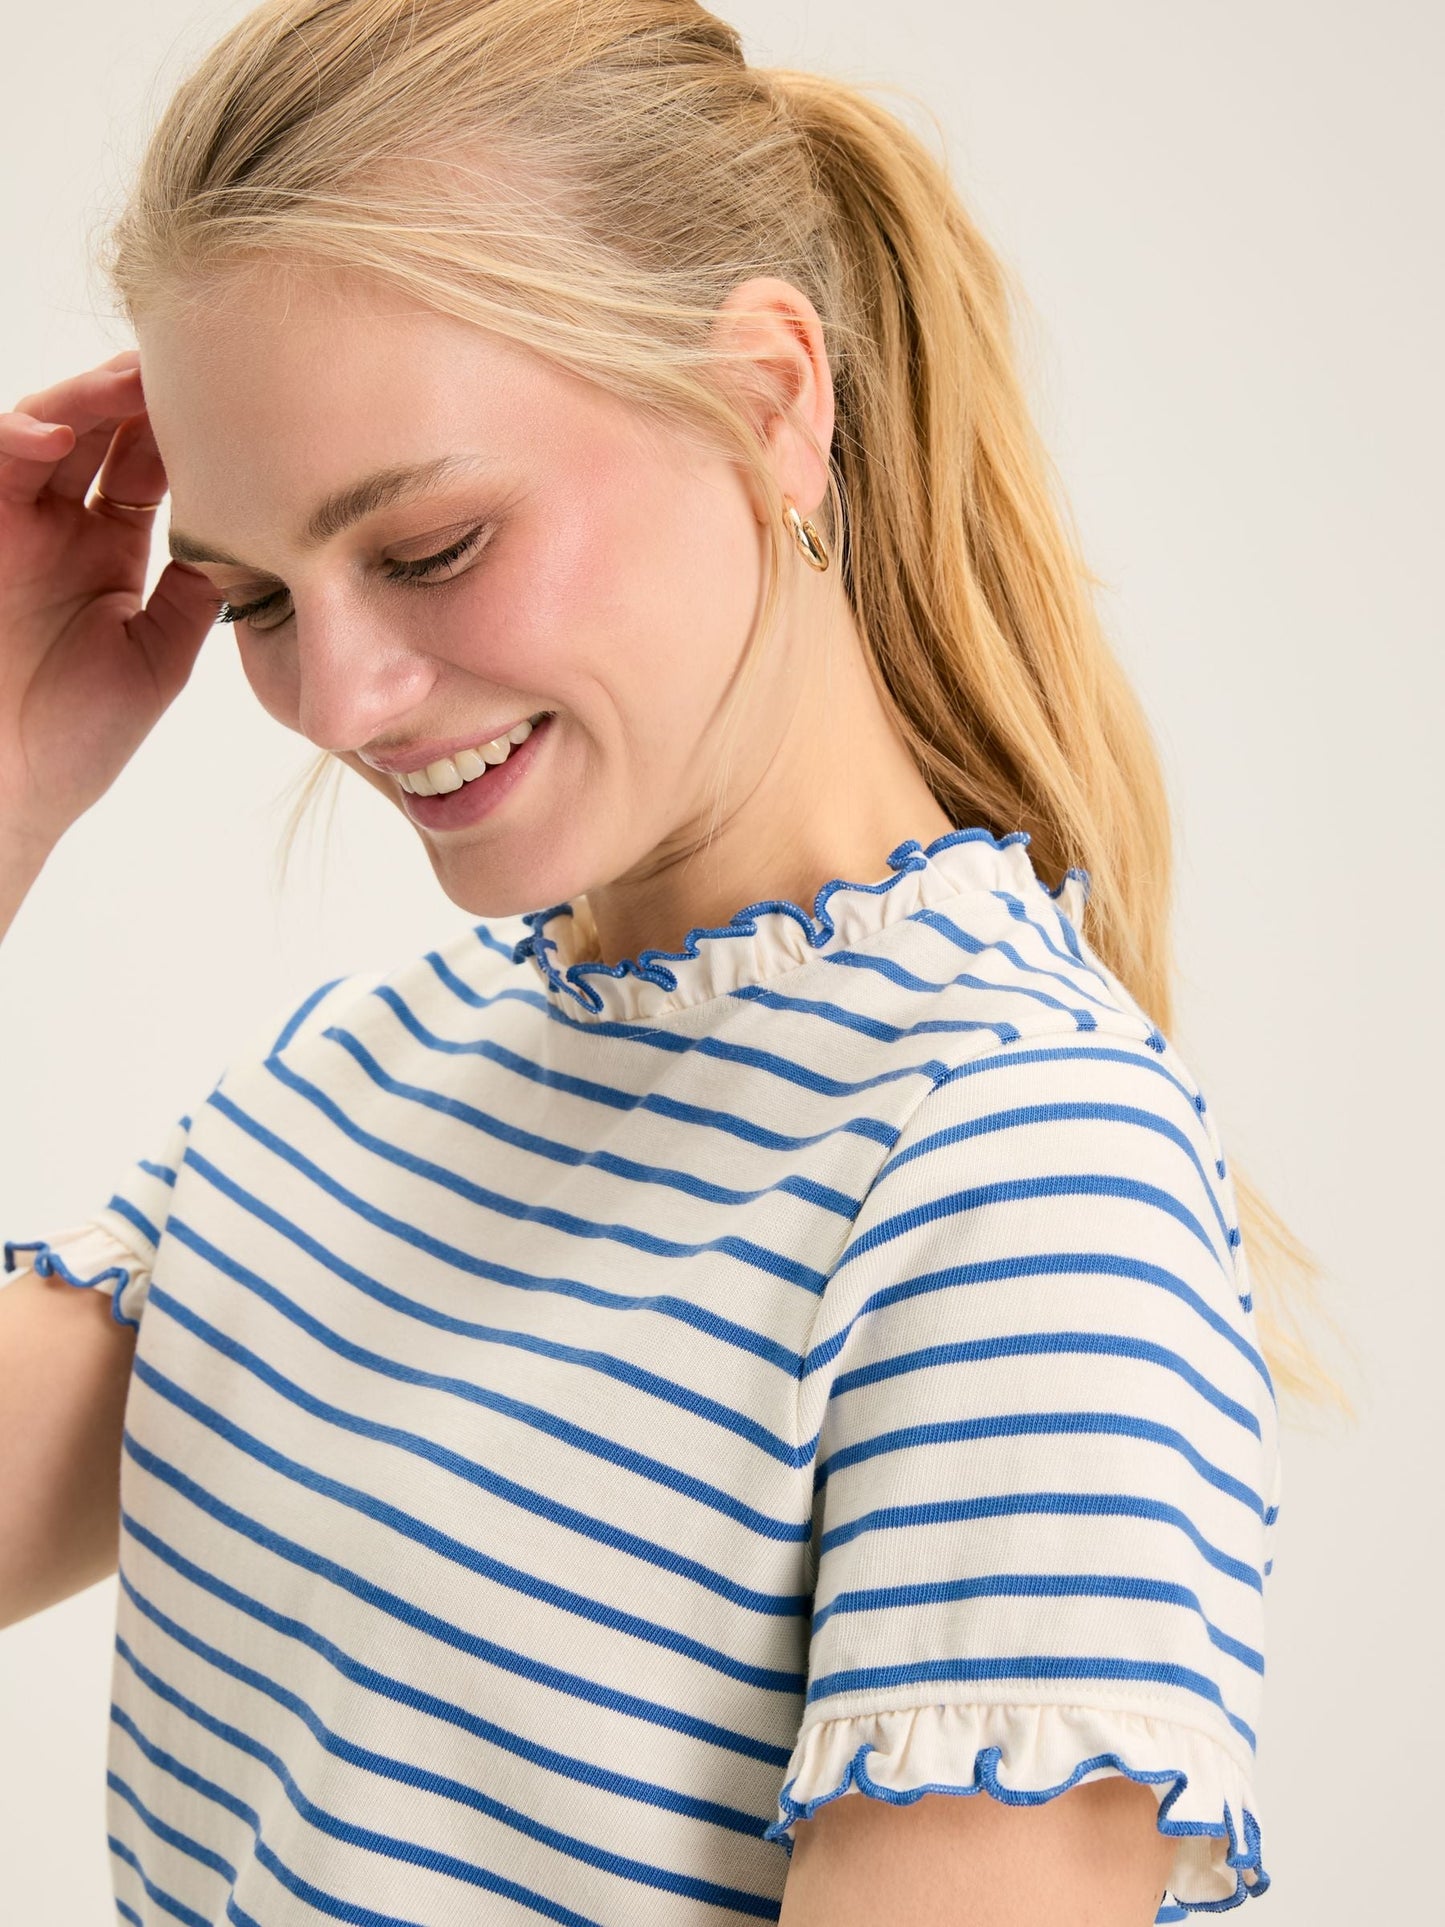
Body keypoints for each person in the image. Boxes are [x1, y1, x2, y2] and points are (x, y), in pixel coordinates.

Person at [0, 3, 1298, 1921]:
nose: (332, 698)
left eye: (427, 546)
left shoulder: (1007, 1183)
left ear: (771, 398)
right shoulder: (355, 1080)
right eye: (258, 594)